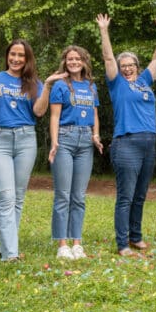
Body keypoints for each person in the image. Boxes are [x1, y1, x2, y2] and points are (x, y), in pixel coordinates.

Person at [0, 40, 63, 263]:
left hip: (26, 139)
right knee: (6, 197)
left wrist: (46, 87)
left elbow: (39, 112)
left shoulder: (33, 83)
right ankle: (10, 255)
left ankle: (7, 246)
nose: (16, 59)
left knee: (18, 198)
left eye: (21, 55)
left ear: (27, 59)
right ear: (7, 55)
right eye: (13, 54)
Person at [97, 13, 156, 256]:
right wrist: (104, 31)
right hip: (126, 143)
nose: (127, 68)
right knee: (126, 195)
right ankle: (123, 244)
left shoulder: (145, 81)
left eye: (130, 65)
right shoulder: (117, 83)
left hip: (148, 143)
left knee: (140, 194)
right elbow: (107, 56)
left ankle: (135, 236)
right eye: (123, 65)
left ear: (137, 67)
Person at [48, 45, 103, 260]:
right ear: (65, 61)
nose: (73, 62)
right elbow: (54, 116)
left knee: (79, 196)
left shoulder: (91, 87)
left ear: (84, 62)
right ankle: (62, 245)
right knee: (63, 195)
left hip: (85, 141)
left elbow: (95, 113)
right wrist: (54, 142)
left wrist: (96, 135)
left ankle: (77, 242)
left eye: (77, 59)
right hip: (65, 138)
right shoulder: (60, 86)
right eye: (70, 59)